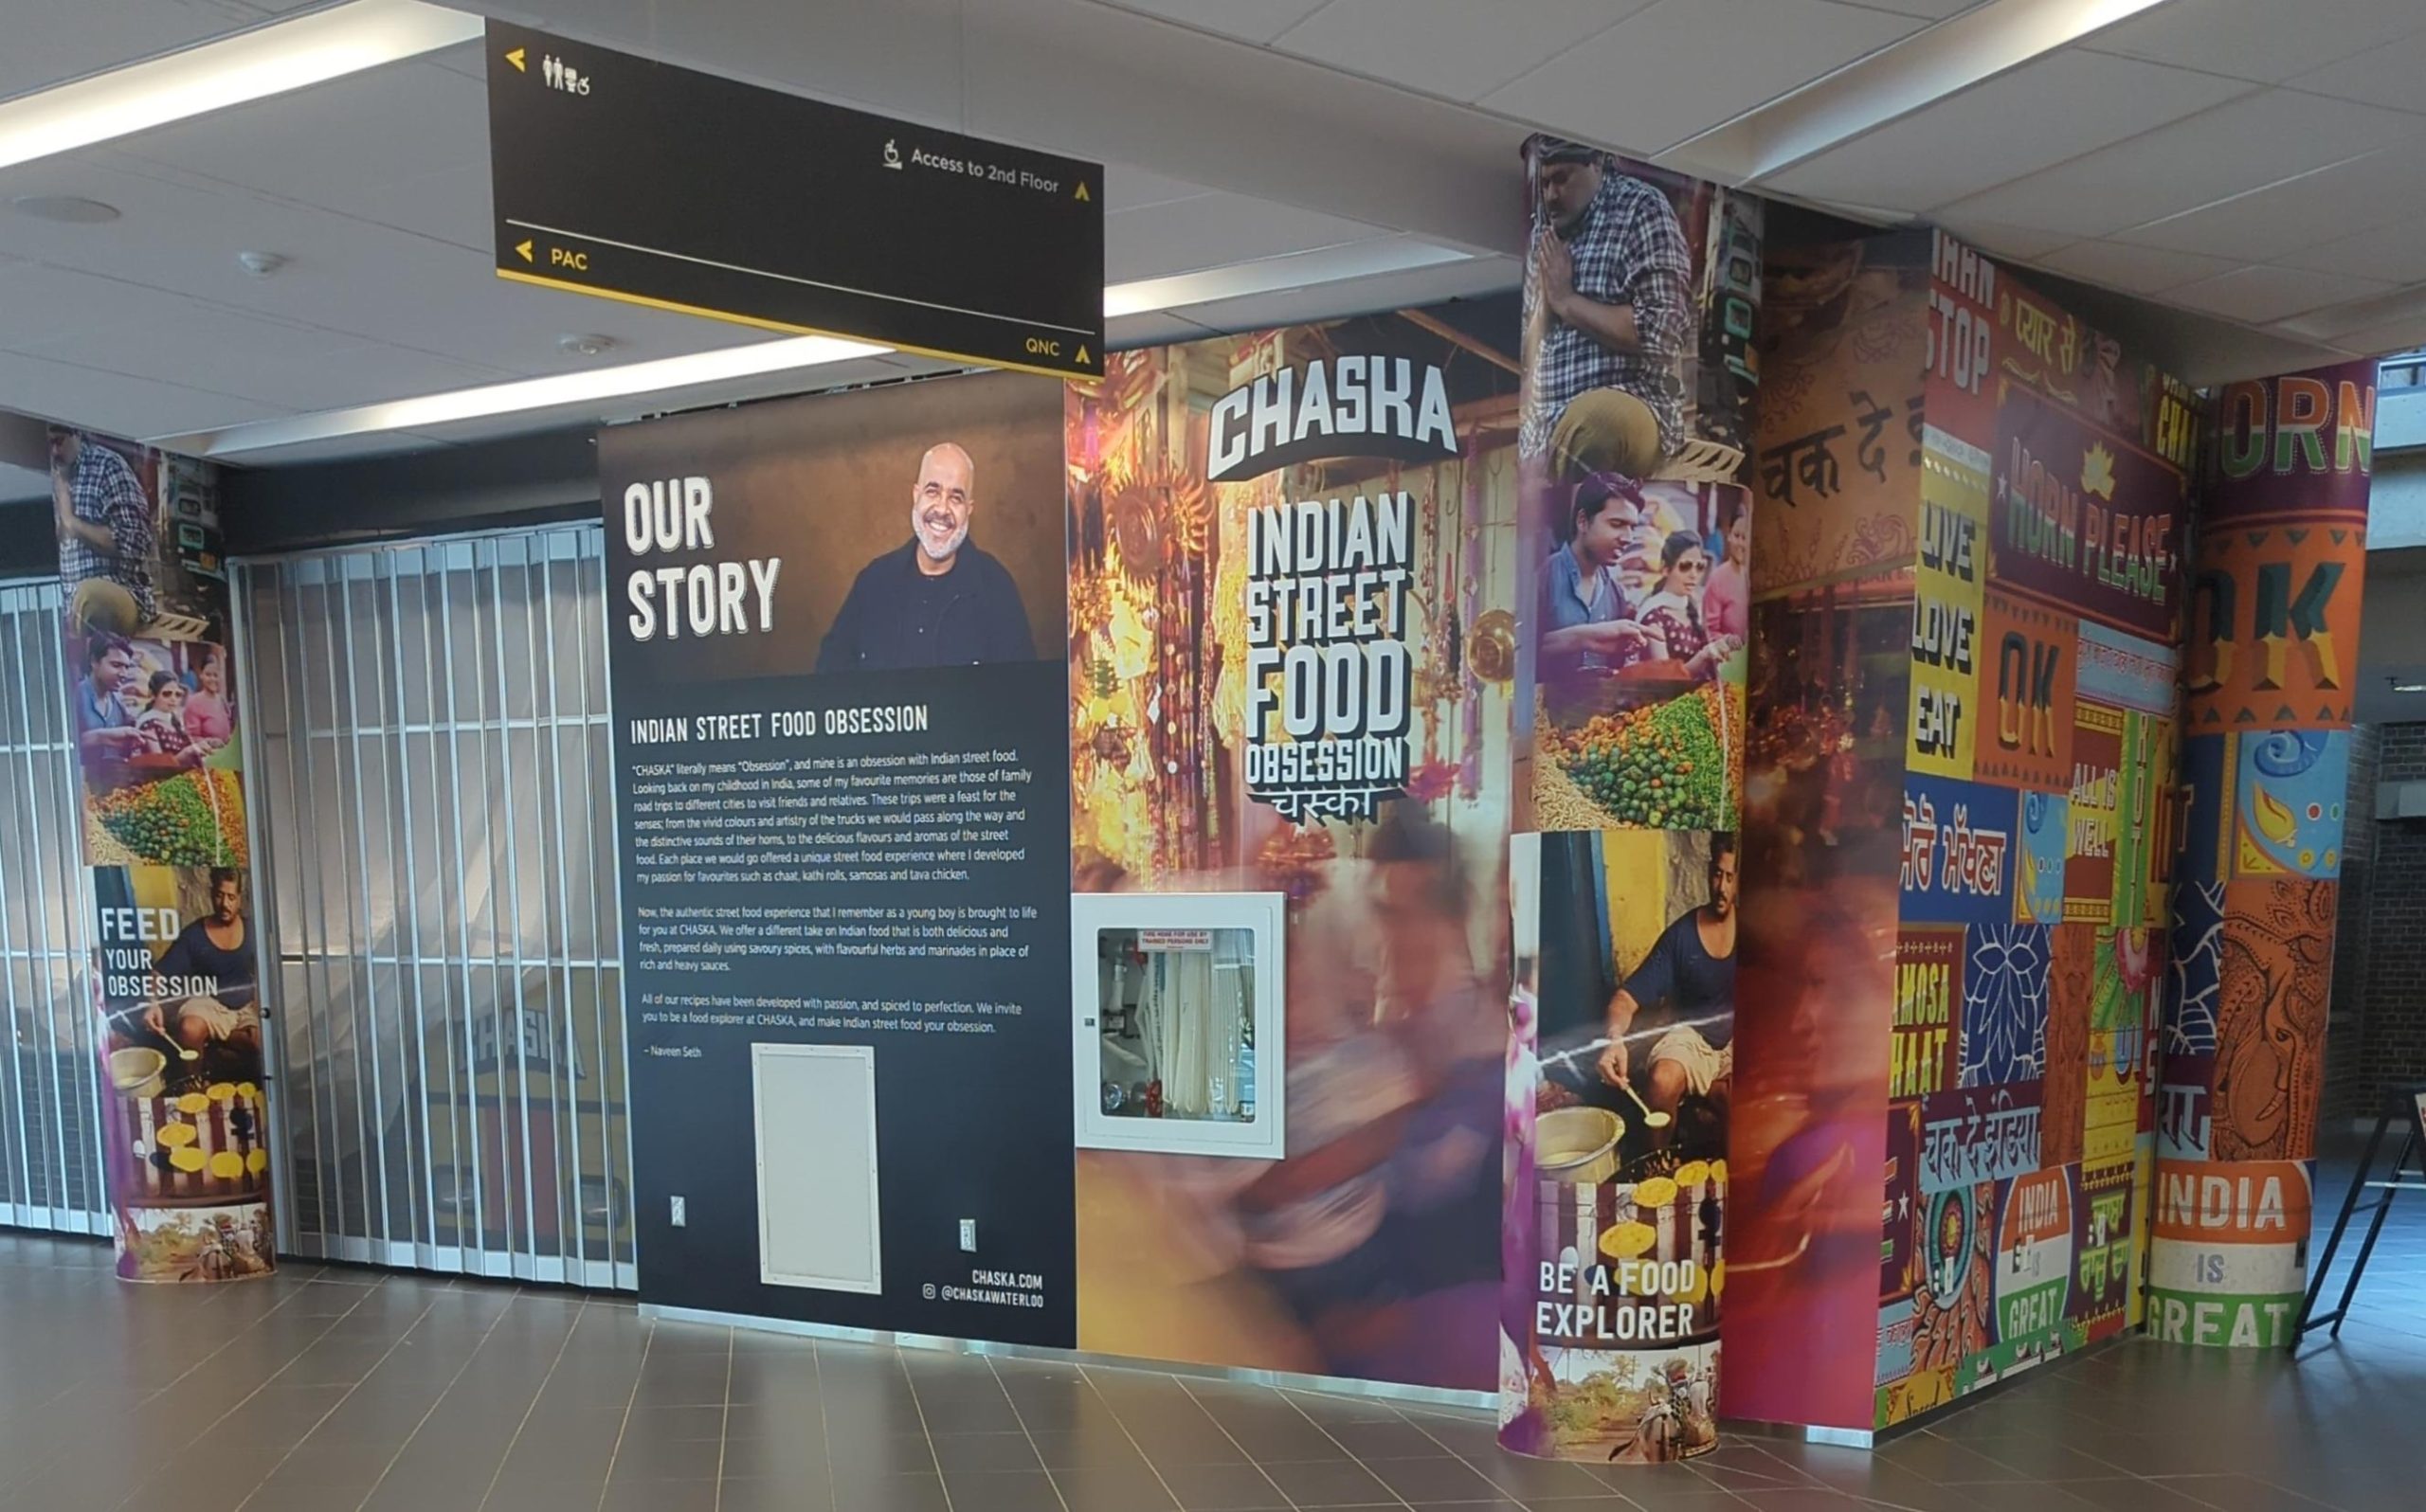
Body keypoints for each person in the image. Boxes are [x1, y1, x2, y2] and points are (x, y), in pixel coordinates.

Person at [1530, 140, 1693, 482]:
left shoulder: (1640, 208)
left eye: (1561, 179)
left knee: (1596, 423)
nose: (1551, 195)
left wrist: (1567, 301)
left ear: (1597, 164)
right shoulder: (1543, 235)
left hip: (1630, 402)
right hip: (1547, 419)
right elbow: (1529, 347)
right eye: (1544, 183)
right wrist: (1546, 306)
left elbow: (1662, 333)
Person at [816, 441, 1034, 672]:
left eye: (956, 497)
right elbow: (828, 679)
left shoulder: (996, 588)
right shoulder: (873, 582)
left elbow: (1020, 694)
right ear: (916, 495)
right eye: (933, 491)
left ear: (969, 509)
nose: (942, 509)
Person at [1596, 836, 1736, 1142]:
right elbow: (1625, 998)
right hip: (1693, 1038)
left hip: (1735, 1041)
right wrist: (1614, 1040)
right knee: (1661, 1081)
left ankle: (1710, 1092)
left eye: (1730, 877)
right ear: (1708, 871)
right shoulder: (1682, 936)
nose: (1721, 888)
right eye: (1716, 874)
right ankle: (1656, 1169)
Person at [1540, 474, 1653, 675]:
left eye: (1632, 527)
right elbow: (1517, 651)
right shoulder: (1542, 577)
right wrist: (1584, 638)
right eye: (1617, 524)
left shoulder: (1615, 593)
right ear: (1583, 521)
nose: (1628, 538)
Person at [146, 870, 261, 1057]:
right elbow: (158, 974)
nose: (225, 904)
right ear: (211, 894)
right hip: (209, 1005)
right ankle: (195, 1081)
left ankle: (225, 1036)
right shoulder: (194, 935)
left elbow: (270, 969)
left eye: (231, 897)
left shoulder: (252, 930)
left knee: (258, 1042)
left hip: (246, 1005)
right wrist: (151, 1004)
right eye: (219, 896)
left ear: (239, 898)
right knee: (189, 1029)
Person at [51, 429, 156, 634]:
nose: (54, 451)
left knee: (91, 595)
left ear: (76, 434)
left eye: (59, 441)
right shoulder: (54, 477)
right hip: (70, 605)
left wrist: (72, 522)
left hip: (119, 591)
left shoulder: (107, 465)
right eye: (49, 444)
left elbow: (134, 542)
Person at [1636, 531, 1741, 680]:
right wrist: (1703, 655)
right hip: (1663, 701)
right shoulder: (1653, 616)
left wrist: (1725, 643)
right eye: (1685, 566)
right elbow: (1665, 680)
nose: (1694, 575)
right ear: (1665, 568)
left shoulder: (1694, 608)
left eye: (1699, 567)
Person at [75, 633, 151, 760]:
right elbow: (62, 743)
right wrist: (101, 737)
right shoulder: (74, 696)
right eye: (116, 665)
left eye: (126, 667)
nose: (124, 674)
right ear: (94, 662)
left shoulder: (119, 703)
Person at [135, 671, 207, 765]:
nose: (173, 699)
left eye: (177, 694)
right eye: (167, 694)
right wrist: (187, 752)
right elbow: (158, 764)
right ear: (153, 695)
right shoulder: (148, 724)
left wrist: (204, 743)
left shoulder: (174, 720)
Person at [1704, 502, 1749, 643]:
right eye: (1737, 536)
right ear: (1729, 536)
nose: (1741, 543)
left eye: (1745, 537)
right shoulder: (1717, 578)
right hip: (1725, 661)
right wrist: (1727, 641)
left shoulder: (1748, 577)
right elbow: (1710, 630)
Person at [184, 648, 235, 747]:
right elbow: (191, 736)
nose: (212, 679)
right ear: (201, 675)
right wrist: (209, 742)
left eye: (215, 675)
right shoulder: (194, 702)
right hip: (206, 756)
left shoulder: (221, 700)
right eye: (208, 675)